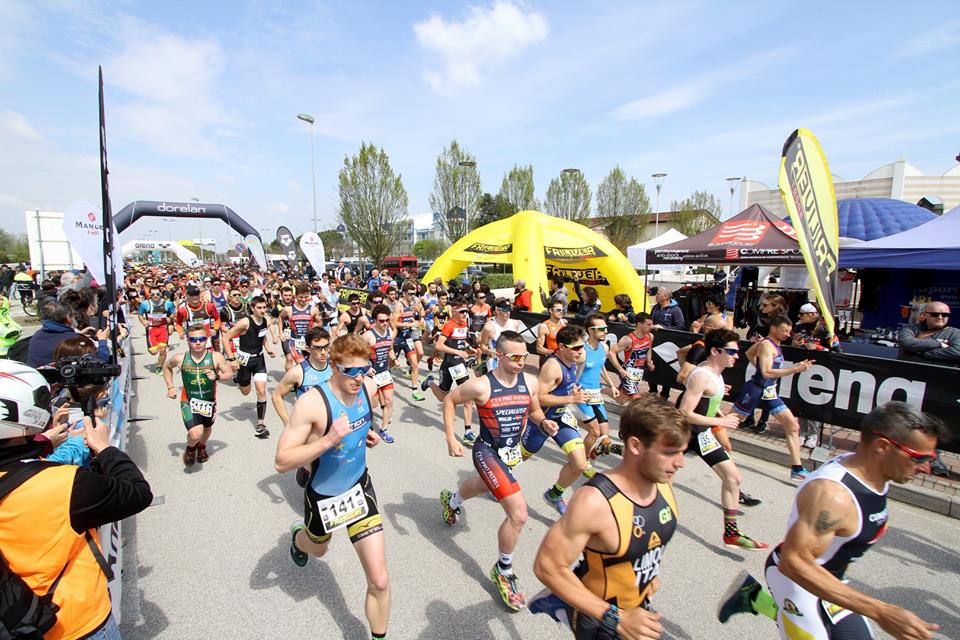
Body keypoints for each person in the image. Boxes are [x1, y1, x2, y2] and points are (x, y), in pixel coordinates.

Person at [718, 402, 945, 640]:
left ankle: (753, 597)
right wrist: (881, 611)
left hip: (830, 581)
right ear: (882, 447)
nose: (927, 468)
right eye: (919, 458)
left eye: (932, 457)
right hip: (797, 582)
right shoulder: (833, 496)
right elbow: (794, 562)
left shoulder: (873, 470)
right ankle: (762, 600)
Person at [0, 360, 152, 640]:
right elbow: (138, 493)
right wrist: (105, 448)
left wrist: (45, 442)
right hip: (74, 622)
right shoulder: (61, 483)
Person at [530, 394, 687, 639]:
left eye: (682, 452)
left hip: (637, 607)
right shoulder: (594, 502)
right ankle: (566, 602)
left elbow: (647, 537)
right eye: (669, 452)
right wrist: (616, 617)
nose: (679, 463)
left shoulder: (662, 481)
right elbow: (547, 566)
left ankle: (563, 600)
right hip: (600, 620)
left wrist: (647, 574)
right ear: (635, 446)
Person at [274, 334, 390, 640]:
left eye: (364, 369)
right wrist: (327, 441)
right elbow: (282, 461)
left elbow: (361, 422)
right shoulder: (312, 403)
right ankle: (299, 538)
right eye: (350, 371)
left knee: (379, 579)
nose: (358, 377)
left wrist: (369, 435)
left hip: (359, 488)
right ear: (335, 367)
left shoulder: (367, 387)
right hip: (323, 495)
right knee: (319, 550)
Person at [439, 330, 558, 611]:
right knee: (518, 514)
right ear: (500, 355)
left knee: (483, 485)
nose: (521, 361)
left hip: (509, 451)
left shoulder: (529, 382)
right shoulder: (481, 385)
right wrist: (451, 438)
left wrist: (544, 424)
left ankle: (452, 500)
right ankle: (503, 571)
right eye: (516, 357)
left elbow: (534, 410)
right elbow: (449, 401)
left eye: (525, 356)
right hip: (487, 451)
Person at [678, 329, 767, 550]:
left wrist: (717, 413)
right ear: (716, 351)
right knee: (649, 471)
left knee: (733, 478)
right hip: (683, 433)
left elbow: (706, 405)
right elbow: (684, 413)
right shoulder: (702, 375)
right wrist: (724, 422)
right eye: (732, 352)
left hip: (701, 434)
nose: (737, 356)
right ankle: (607, 446)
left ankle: (731, 533)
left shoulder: (716, 374)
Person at [734, 315, 814, 481]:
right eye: (784, 330)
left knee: (792, 426)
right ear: (774, 328)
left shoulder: (773, 344)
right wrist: (795, 369)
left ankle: (797, 469)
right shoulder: (765, 345)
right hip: (756, 390)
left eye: (789, 331)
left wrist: (760, 366)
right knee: (732, 421)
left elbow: (749, 353)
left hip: (769, 392)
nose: (787, 334)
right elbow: (767, 372)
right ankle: (703, 434)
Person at [523, 325, 589, 515]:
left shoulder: (572, 360)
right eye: (576, 348)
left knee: (580, 464)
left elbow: (566, 385)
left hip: (560, 419)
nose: (580, 351)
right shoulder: (552, 367)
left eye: (582, 347)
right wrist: (571, 399)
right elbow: (538, 397)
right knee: (518, 459)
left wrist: (573, 391)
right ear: (561, 346)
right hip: (541, 421)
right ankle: (497, 476)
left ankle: (554, 494)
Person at [897, 300, 958, 477]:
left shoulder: (955, 333)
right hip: (910, 385)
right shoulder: (911, 329)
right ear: (925, 315)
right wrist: (939, 344)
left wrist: (921, 352)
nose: (940, 317)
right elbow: (907, 344)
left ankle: (933, 458)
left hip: (939, 388)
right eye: (935, 314)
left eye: (945, 315)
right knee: (909, 421)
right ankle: (906, 454)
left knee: (934, 424)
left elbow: (957, 352)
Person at [164, 323, 235, 466]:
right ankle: (190, 448)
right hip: (189, 401)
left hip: (209, 401)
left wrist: (217, 376)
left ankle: (201, 446)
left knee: (207, 429)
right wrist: (170, 387)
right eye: (193, 339)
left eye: (201, 339)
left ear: (207, 339)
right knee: (196, 433)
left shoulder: (215, 357)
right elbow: (166, 367)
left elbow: (229, 373)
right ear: (188, 340)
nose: (197, 342)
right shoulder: (180, 358)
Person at [420, 297, 478, 445]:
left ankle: (468, 431)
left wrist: (468, 348)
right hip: (449, 363)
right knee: (442, 397)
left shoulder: (464, 323)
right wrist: (458, 352)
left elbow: (460, 340)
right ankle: (431, 382)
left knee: (467, 398)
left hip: (459, 365)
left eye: (466, 311)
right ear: (454, 312)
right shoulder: (449, 325)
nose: (465, 314)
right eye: (462, 312)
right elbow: (439, 346)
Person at [222, 296, 277, 439]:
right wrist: (231, 358)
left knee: (261, 390)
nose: (263, 310)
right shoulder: (245, 322)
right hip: (244, 360)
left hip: (259, 359)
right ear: (252, 308)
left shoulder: (265, 320)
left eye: (264, 307)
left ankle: (260, 424)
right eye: (259, 308)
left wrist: (268, 349)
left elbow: (262, 336)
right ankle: (239, 379)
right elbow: (226, 337)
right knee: (245, 391)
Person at [572, 315, 620, 471]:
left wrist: (612, 385)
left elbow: (601, 366)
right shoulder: (582, 351)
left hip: (596, 394)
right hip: (582, 394)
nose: (605, 331)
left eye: (606, 328)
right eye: (601, 329)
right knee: (594, 431)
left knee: (604, 435)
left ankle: (572, 422)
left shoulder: (604, 348)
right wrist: (571, 389)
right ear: (590, 331)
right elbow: (568, 371)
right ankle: (584, 461)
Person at [27, 300, 110, 367]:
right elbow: (100, 360)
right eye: (73, 315)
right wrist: (102, 340)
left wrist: (79, 334)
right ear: (68, 318)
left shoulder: (37, 335)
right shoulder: (73, 340)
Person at [365, 305, 398, 443]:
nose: (385, 323)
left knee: (389, 400)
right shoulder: (368, 335)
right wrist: (366, 367)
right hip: (370, 374)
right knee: (372, 405)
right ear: (375, 321)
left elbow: (390, 349)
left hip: (384, 372)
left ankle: (384, 430)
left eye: (387, 320)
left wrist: (394, 358)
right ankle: (366, 426)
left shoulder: (389, 332)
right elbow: (355, 353)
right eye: (381, 321)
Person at [608, 312, 654, 401]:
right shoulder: (628, 339)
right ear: (639, 324)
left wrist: (649, 362)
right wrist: (620, 370)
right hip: (628, 372)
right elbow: (611, 353)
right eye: (648, 324)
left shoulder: (650, 336)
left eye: (652, 324)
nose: (652, 327)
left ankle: (601, 389)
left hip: (638, 372)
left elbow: (649, 348)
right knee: (636, 398)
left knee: (622, 400)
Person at [391, 284, 426, 401]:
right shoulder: (398, 305)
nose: (412, 296)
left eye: (414, 294)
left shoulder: (411, 304)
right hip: (398, 338)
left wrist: (415, 322)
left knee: (415, 364)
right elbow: (395, 323)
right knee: (390, 365)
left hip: (407, 338)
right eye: (410, 294)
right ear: (404, 293)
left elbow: (408, 318)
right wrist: (410, 324)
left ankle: (415, 391)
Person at [279, 284, 322, 370]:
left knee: (309, 363)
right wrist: (280, 332)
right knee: (297, 361)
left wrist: (317, 325)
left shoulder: (313, 309)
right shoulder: (288, 309)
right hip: (293, 340)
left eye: (306, 297)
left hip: (307, 341)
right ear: (295, 297)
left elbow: (320, 322)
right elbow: (281, 318)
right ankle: (290, 379)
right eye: (301, 297)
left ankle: (298, 377)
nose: (303, 300)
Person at [138, 286, 176, 374]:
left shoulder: (168, 303)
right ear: (150, 295)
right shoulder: (145, 304)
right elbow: (140, 314)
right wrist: (143, 321)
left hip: (163, 328)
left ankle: (159, 367)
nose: (156, 296)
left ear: (161, 294)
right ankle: (156, 350)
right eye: (153, 294)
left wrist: (170, 319)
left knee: (162, 350)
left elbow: (173, 313)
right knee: (154, 352)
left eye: (158, 294)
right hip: (151, 329)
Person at [174, 285, 221, 352]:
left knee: (210, 358)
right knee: (196, 359)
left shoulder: (208, 306)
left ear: (200, 295)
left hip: (207, 338)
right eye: (192, 295)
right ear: (187, 296)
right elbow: (178, 323)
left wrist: (215, 329)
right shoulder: (183, 310)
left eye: (196, 294)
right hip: (193, 339)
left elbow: (217, 318)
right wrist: (180, 332)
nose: (195, 297)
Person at [536, 302, 568, 366]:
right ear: (551, 310)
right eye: (558, 310)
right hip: (552, 359)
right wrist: (555, 352)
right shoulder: (544, 326)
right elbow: (539, 349)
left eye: (563, 310)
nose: (561, 312)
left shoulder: (564, 323)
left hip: (565, 359)